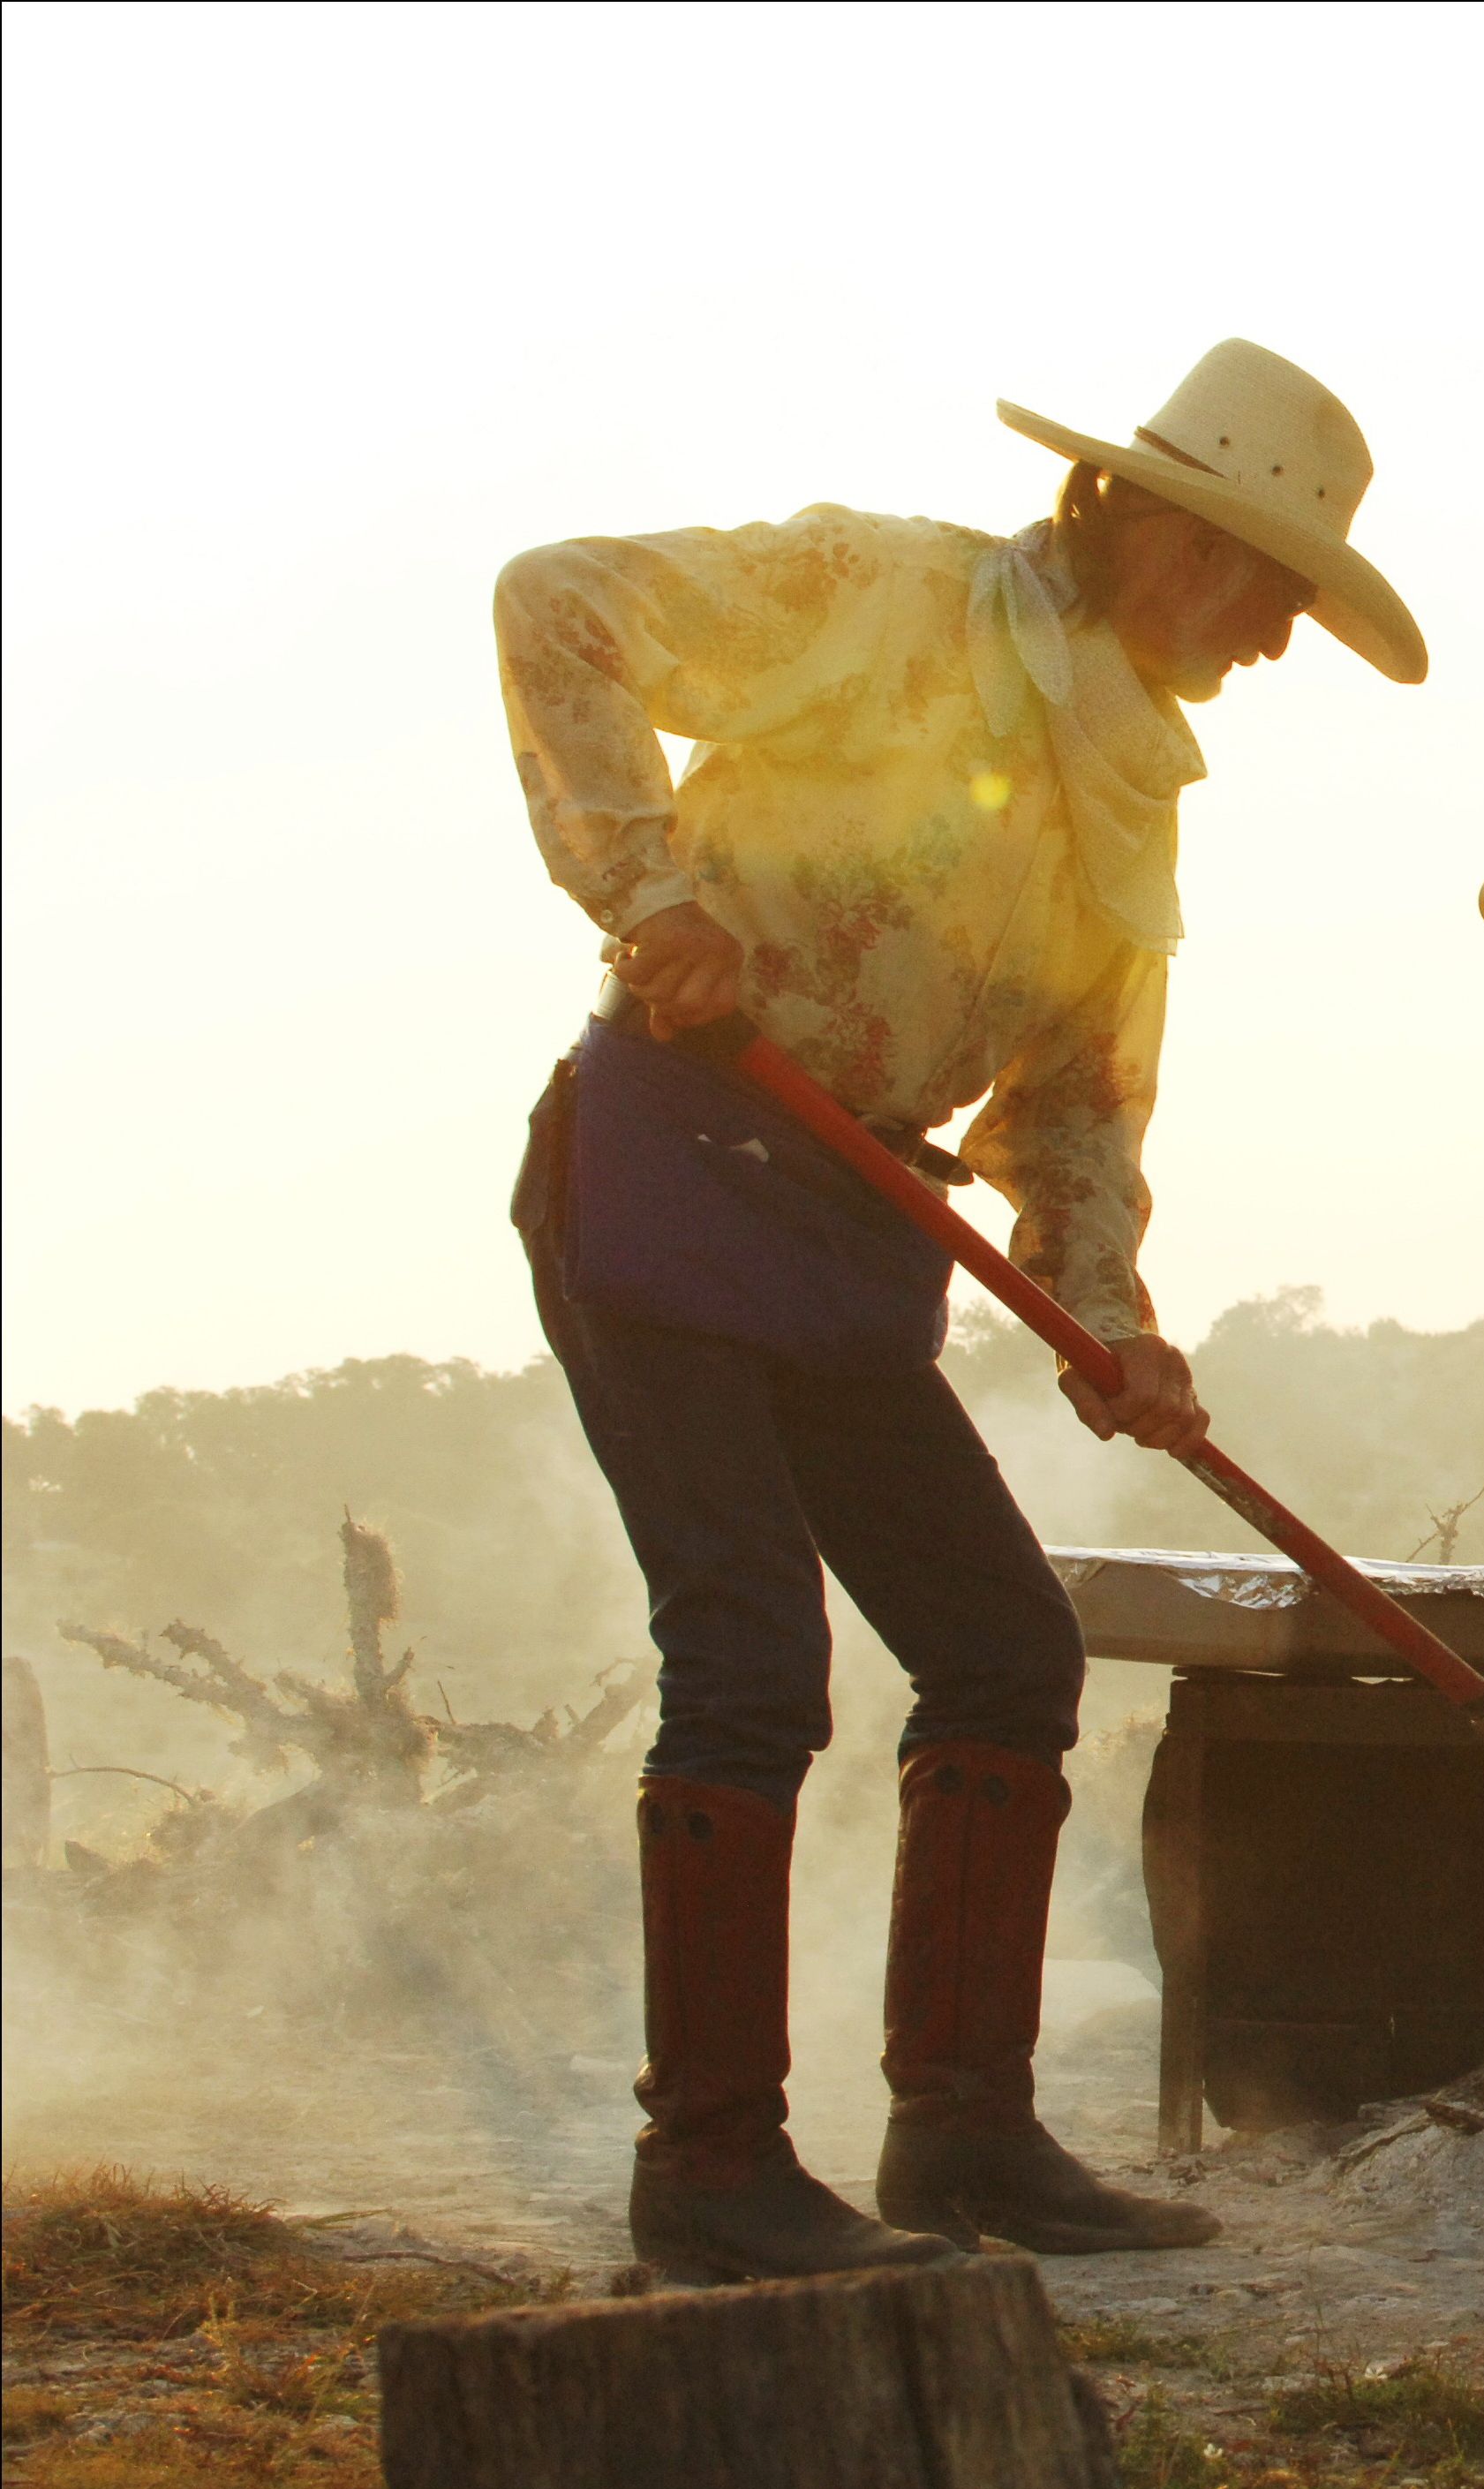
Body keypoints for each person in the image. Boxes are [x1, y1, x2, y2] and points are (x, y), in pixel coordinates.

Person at [497, 339, 1428, 2282]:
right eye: (1265, 586)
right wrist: (646, 887)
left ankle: (969, 2141)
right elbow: (555, 600)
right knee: (752, 1659)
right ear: (1158, 529)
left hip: (852, 1224)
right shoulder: (882, 598)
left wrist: (1111, 1317)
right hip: (667, 1165)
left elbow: (1076, 1099)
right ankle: (710, 2170)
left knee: (1005, 1649)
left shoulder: (1131, 802)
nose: (1270, 644)